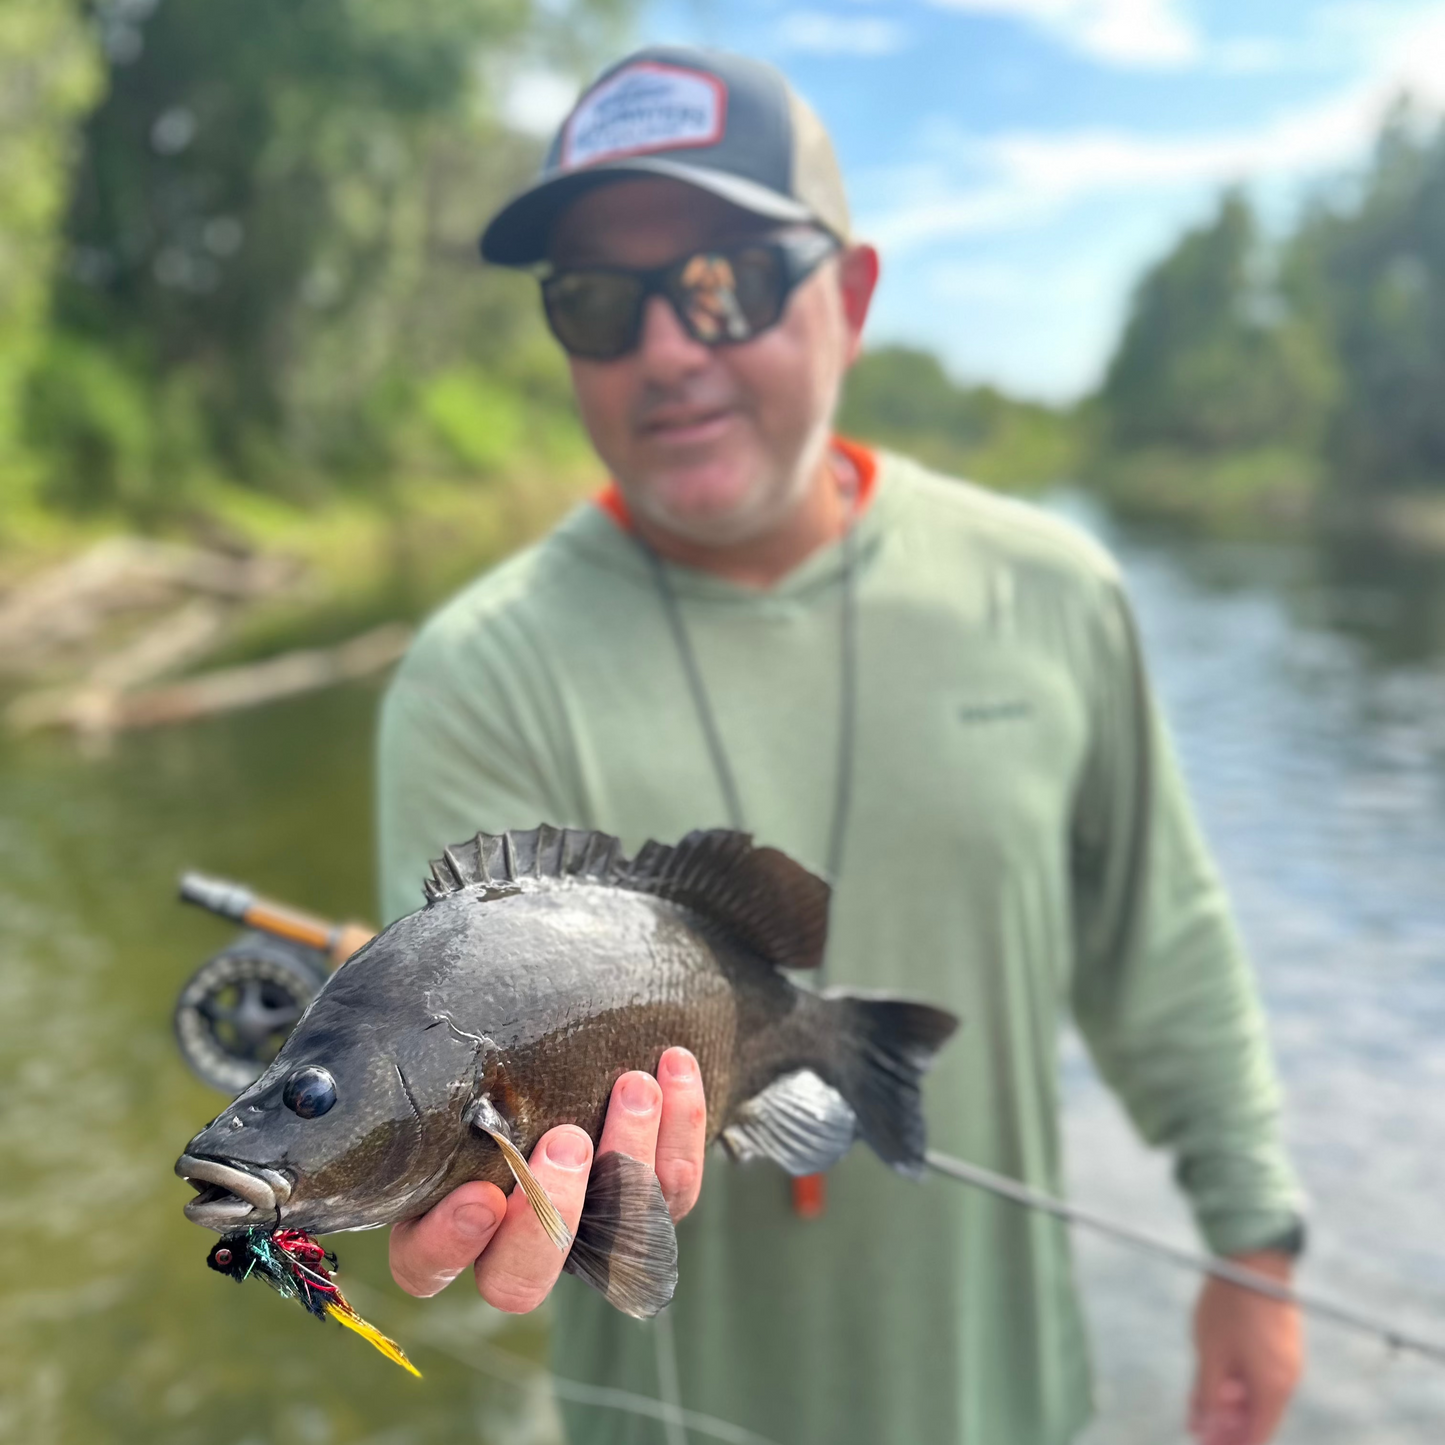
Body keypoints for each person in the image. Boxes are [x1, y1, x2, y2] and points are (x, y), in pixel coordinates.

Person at [375, 44, 1305, 1445]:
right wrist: (458, 1188)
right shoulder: (473, 676)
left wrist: (1256, 1239)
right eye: (597, 301)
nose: (669, 347)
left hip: (1011, 1401)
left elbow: (1160, 944)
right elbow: (455, 1079)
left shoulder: (1052, 593)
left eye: (724, 283)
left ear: (851, 297)